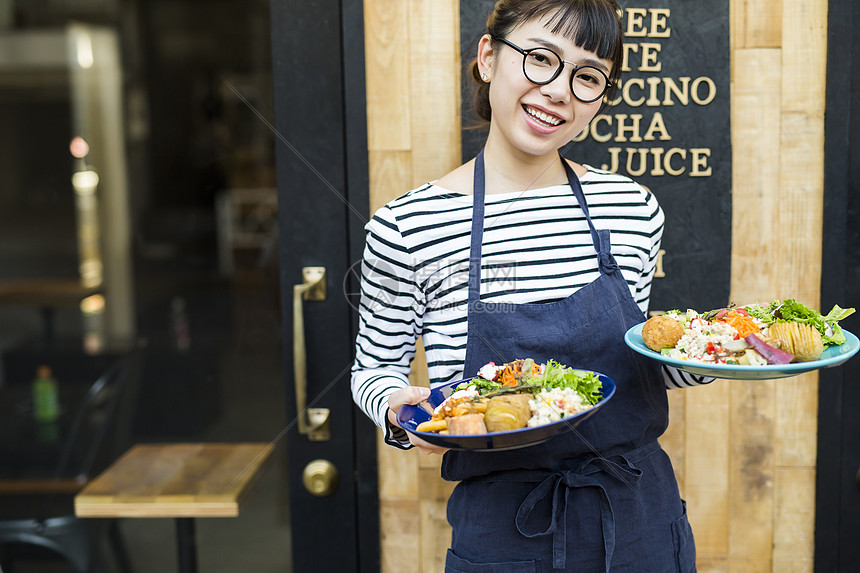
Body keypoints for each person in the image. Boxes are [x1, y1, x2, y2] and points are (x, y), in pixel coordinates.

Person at [351, 1, 707, 570]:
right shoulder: (407, 227)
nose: (559, 91)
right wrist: (397, 407)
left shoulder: (631, 208)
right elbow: (374, 371)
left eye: (588, 76)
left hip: (641, 515)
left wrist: (716, 353)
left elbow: (639, 362)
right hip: (502, 531)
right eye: (540, 59)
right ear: (488, 58)